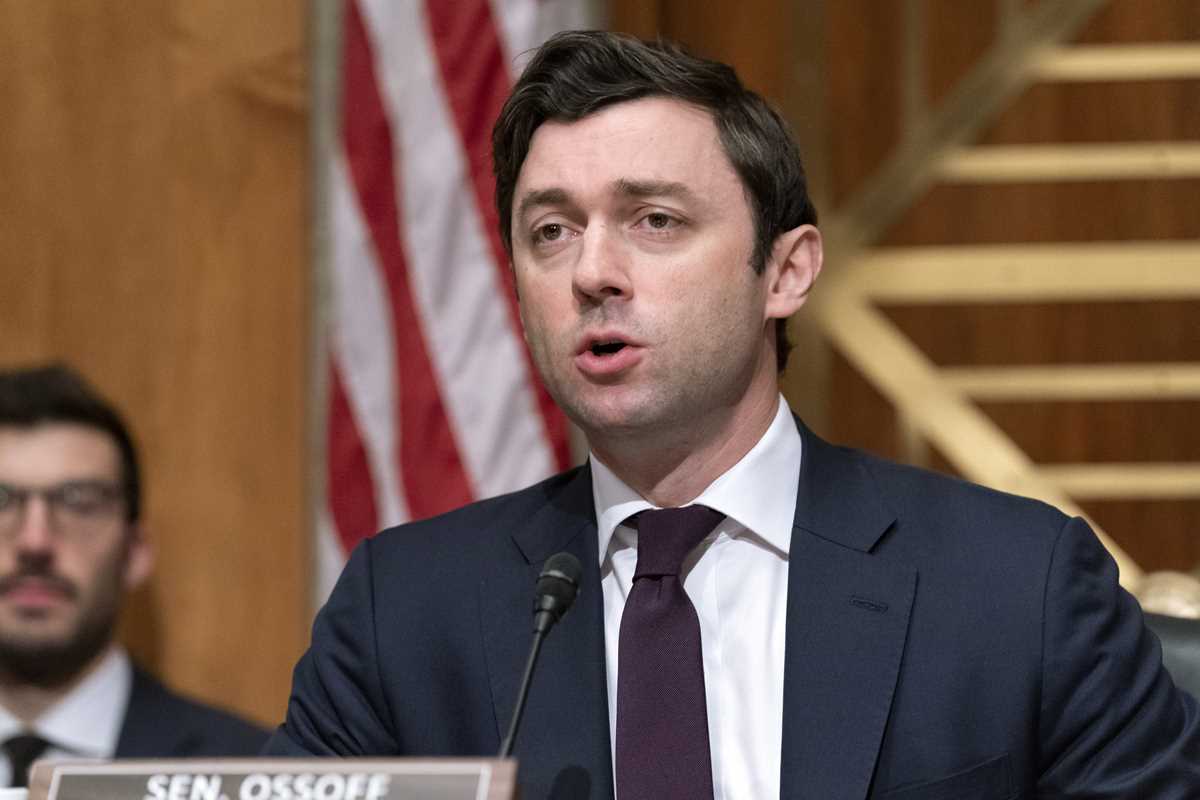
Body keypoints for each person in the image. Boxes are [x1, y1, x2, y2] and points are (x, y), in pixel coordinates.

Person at [267, 30, 1200, 798]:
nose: (591, 272)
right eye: (550, 231)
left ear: (785, 272)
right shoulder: (404, 614)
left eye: (654, 220)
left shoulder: (1018, 588)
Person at [0, 364, 267, 787]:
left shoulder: (252, 773)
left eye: (79, 502)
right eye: (1, 501)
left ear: (135, 552)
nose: (35, 541)